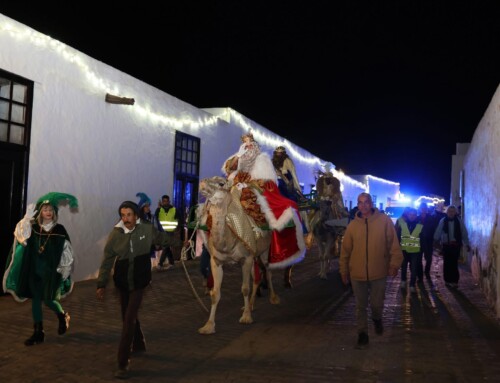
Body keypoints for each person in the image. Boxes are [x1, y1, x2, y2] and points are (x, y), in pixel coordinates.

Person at [96, 200, 177, 379]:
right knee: (127, 315)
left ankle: (123, 363)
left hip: (140, 281)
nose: (126, 219)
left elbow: (162, 238)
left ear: (136, 215)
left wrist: (178, 241)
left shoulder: (146, 229)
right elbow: (108, 259)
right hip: (122, 282)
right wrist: (101, 283)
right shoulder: (116, 234)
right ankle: (139, 343)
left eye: (129, 215)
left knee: (129, 320)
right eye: (123, 215)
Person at [3, 192, 78, 346]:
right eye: (45, 210)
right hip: (34, 271)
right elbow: (21, 238)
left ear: (55, 212)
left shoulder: (60, 230)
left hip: (51, 272)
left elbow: (67, 250)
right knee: (36, 300)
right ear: (40, 212)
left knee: (50, 299)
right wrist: (26, 219)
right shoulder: (33, 228)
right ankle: (38, 332)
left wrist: (64, 268)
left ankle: (62, 315)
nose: (48, 212)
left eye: (51, 210)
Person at [221, 132, 306, 269]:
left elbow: (267, 182)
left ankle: (257, 234)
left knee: (276, 205)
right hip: (235, 187)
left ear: (254, 143)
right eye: (245, 142)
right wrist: (238, 155)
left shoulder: (262, 160)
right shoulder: (239, 156)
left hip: (252, 189)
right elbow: (228, 169)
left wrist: (247, 185)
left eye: (249, 142)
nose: (247, 145)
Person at [339, 192, 403, 349]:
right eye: (360, 202)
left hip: (378, 272)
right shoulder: (353, 226)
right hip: (357, 273)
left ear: (371, 204)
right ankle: (362, 334)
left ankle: (377, 318)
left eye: (366, 202)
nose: (363, 205)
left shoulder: (384, 221)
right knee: (360, 306)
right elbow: (345, 250)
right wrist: (344, 270)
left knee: (376, 304)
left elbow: (393, 244)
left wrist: (394, 264)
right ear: (357, 205)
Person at [433, 205, 470, 288]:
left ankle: (455, 280)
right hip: (446, 245)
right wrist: (435, 239)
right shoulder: (443, 220)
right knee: (447, 263)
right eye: (449, 211)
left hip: (456, 245)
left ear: (455, 212)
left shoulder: (459, 221)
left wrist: (466, 243)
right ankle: (447, 280)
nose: (451, 213)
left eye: (453, 211)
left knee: (454, 263)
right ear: (447, 212)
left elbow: (464, 232)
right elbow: (439, 230)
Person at [396, 207, 423, 293]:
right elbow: (398, 236)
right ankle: (403, 281)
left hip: (415, 251)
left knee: (414, 269)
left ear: (416, 215)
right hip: (404, 250)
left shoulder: (420, 225)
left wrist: (422, 249)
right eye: (410, 214)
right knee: (403, 267)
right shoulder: (403, 224)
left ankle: (412, 285)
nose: (412, 216)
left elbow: (422, 238)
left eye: (414, 215)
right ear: (408, 215)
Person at [154, 194, 180, 270]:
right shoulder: (160, 209)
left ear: (169, 201)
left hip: (170, 232)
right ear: (162, 202)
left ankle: (160, 264)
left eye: (167, 201)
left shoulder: (174, 209)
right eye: (164, 201)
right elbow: (155, 217)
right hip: (162, 232)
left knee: (165, 247)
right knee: (167, 247)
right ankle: (172, 263)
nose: (165, 202)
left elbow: (179, 218)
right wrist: (158, 208)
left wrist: (177, 229)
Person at [417, 202, 436, 280]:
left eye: (424, 208)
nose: (423, 209)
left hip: (428, 241)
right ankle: (420, 275)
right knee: (418, 259)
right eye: (422, 208)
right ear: (420, 209)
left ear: (426, 209)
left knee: (428, 258)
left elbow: (434, 228)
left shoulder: (431, 218)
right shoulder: (417, 218)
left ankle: (427, 272)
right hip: (419, 241)